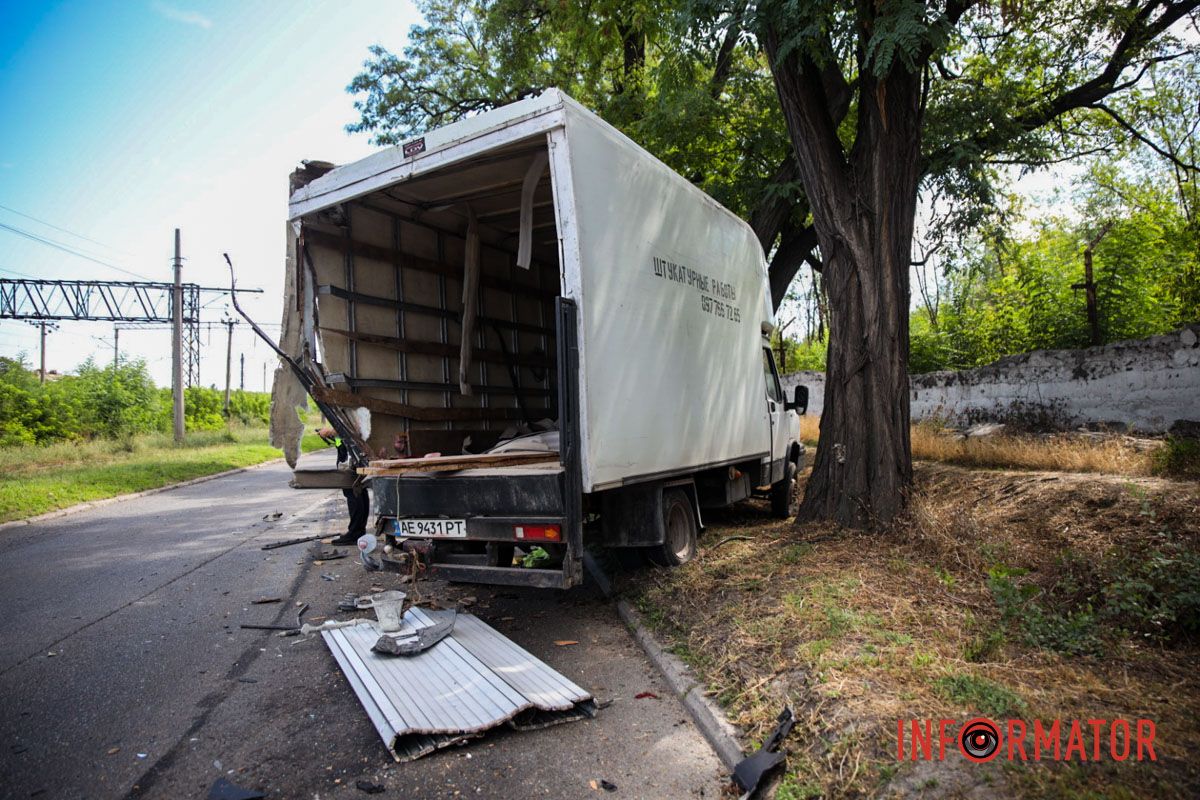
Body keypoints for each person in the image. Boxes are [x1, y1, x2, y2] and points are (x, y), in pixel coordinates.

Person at [317, 426, 369, 546]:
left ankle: (356, 532)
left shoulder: (348, 414)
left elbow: (350, 426)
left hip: (351, 455)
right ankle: (359, 531)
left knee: (353, 492)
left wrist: (329, 431)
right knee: (359, 491)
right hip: (351, 452)